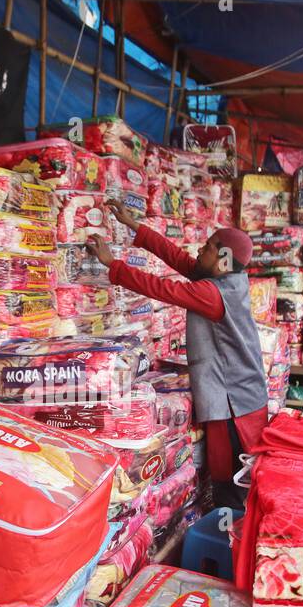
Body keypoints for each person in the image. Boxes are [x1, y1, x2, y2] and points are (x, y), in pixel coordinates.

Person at [85, 199, 267, 509]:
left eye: (208, 246)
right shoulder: (226, 277)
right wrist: (134, 226)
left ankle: (230, 542)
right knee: (232, 478)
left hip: (233, 405)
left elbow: (162, 289)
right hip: (243, 396)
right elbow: (180, 259)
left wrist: (112, 264)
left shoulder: (213, 293)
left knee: (231, 481)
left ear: (223, 257)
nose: (199, 250)